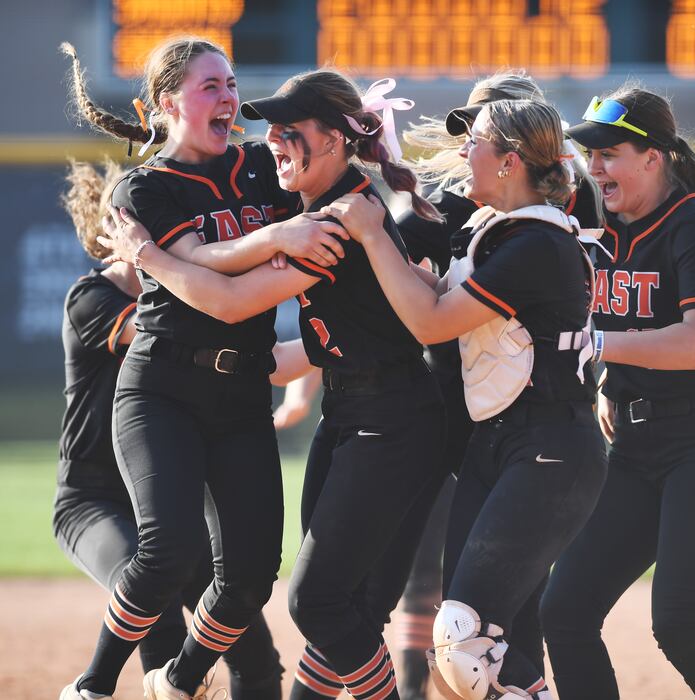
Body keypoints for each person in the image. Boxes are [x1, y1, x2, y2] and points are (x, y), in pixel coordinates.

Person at [99, 68, 447, 700]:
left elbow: (230, 303)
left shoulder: (338, 219)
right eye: (273, 131)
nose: (274, 142)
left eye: (291, 130)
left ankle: (173, 681)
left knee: (318, 602)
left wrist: (148, 257)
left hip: (393, 420)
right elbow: (296, 346)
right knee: (342, 604)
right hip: (349, 413)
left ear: (338, 139)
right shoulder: (316, 208)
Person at [58, 39, 347, 700]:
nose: (228, 98)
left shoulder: (256, 166)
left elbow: (297, 261)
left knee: (250, 576)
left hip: (241, 389)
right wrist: (274, 239)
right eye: (210, 86)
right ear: (168, 103)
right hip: (163, 386)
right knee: (167, 551)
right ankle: (93, 686)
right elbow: (202, 262)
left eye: (230, 83)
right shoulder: (146, 186)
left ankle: (180, 679)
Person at [322, 98, 609, 700]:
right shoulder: (499, 233)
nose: (463, 151)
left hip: (550, 448)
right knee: (477, 655)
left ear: (509, 162)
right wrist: (380, 200)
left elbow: (431, 323)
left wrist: (373, 232)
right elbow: (432, 290)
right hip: (499, 444)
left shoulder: (536, 243)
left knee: (466, 640)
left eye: (474, 140)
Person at [538, 86, 695, 700]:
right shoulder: (595, 214)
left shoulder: (692, 222)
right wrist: (608, 378)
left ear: (654, 158)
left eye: (609, 153)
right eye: (589, 153)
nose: (593, 166)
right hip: (637, 444)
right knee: (564, 610)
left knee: (679, 623)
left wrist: (599, 346)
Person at [55, 159, 298, 699]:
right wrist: (166, 263)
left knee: (254, 646)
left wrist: (337, 352)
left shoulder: (182, 285)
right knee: (158, 596)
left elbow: (268, 359)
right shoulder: (92, 299)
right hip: (98, 498)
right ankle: (97, 685)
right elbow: (180, 325)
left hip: (181, 495)